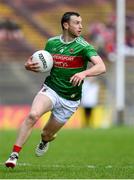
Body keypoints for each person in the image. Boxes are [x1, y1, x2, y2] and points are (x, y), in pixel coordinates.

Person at [5, 11, 106, 168]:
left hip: (70, 99)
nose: (81, 26)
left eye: (81, 22)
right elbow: (42, 65)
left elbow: (101, 66)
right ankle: (14, 155)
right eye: (77, 23)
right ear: (66, 25)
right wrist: (29, 66)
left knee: (46, 133)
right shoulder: (51, 43)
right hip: (51, 89)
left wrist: (84, 73)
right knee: (32, 115)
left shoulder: (84, 47)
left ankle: (45, 140)